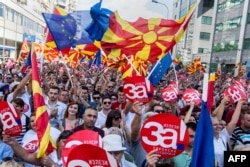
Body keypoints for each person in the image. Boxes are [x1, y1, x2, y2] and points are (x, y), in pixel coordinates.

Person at [2, 130, 71, 167]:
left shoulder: (75, 159)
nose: (67, 145)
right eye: (64, 142)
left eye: (70, 143)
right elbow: (26, 156)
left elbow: (51, 164)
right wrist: (14, 144)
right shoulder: (49, 153)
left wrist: (52, 165)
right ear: (58, 142)